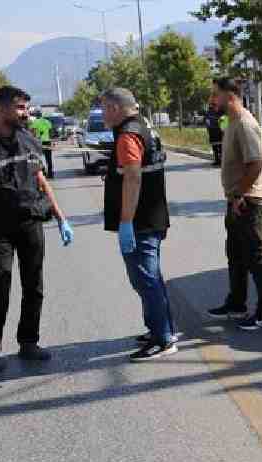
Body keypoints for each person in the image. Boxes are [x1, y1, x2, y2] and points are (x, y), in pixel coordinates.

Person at [0, 86, 74, 372]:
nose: (26, 113)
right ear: (1, 108)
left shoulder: (29, 140)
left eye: (26, 108)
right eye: (20, 107)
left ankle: (29, 342)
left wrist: (61, 217)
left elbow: (41, 180)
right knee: (0, 284)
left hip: (30, 221)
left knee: (34, 284)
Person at [99, 88, 177, 361]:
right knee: (150, 279)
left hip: (140, 221)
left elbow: (133, 178)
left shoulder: (128, 135)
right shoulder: (144, 126)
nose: (102, 114)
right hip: (151, 215)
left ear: (115, 108)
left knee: (145, 280)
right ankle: (161, 328)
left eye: (104, 108)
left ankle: (162, 339)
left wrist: (126, 222)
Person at [206, 77, 262, 330]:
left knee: (256, 257)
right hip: (237, 199)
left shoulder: (246, 124)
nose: (212, 100)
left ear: (230, 96)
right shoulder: (232, 122)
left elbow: (255, 165)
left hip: (249, 201)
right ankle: (236, 304)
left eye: (215, 94)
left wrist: (239, 195)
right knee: (236, 256)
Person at [28, 108, 54, 178]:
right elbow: (51, 132)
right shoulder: (47, 121)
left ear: (36, 114)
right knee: (48, 158)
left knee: (38, 158)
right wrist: (51, 140)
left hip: (39, 142)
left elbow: (33, 132)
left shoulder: (35, 122)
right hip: (47, 141)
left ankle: (43, 171)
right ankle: (50, 173)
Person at [205, 93, 224, 166]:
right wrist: (208, 128)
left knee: (221, 146)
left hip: (219, 130)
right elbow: (207, 121)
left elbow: (224, 120)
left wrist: (224, 129)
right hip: (213, 130)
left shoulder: (221, 111)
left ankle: (221, 160)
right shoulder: (209, 112)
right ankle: (217, 160)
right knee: (215, 146)